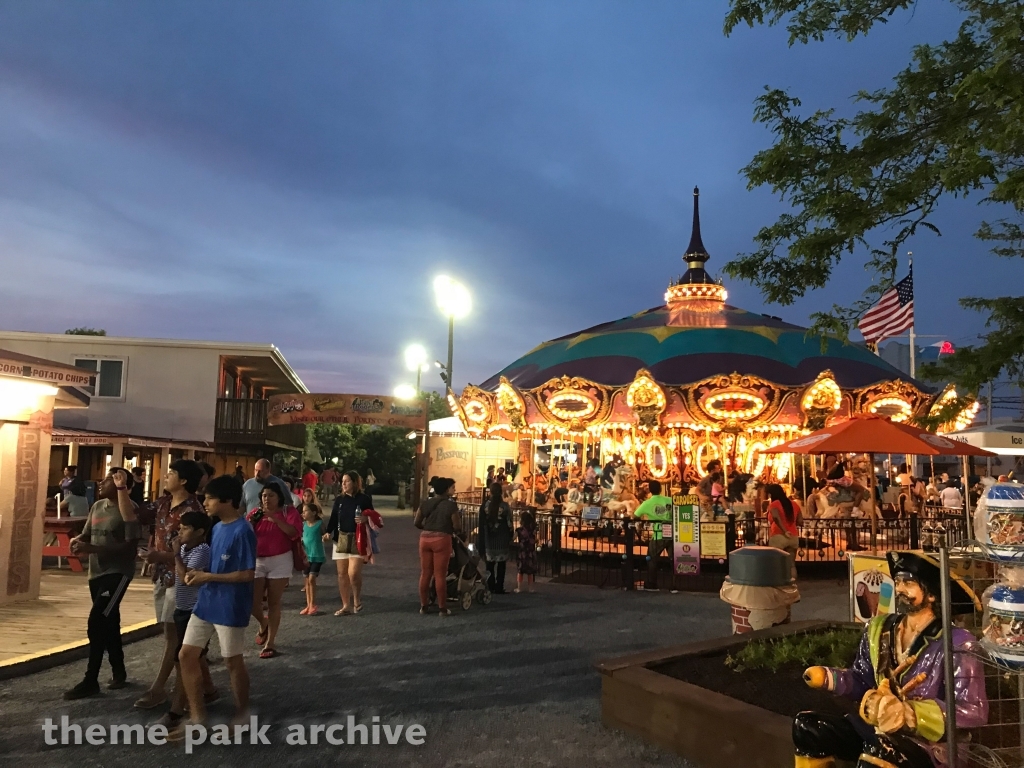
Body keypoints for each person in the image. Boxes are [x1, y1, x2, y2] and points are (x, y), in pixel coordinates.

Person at [795, 551, 987, 767]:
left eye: (909, 583)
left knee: (880, 750)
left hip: (930, 745)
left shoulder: (958, 643)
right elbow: (862, 679)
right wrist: (830, 678)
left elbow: (973, 710)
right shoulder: (879, 628)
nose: (899, 589)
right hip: (878, 729)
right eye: (898, 582)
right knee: (808, 727)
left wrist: (909, 714)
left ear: (932, 594)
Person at [173, 475, 256, 740]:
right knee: (186, 655)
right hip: (207, 600)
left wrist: (208, 577)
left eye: (209, 498)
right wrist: (201, 573)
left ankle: (242, 713)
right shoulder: (217, 527)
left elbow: (247, 574)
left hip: (230, 604)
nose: (204, 503)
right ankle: (197, 718)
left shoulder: (242, 531)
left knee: (232, 661)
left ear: (227, 500)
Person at [132, 459, 207, 711]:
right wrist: (122, 489)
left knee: (173, 636)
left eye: (172, 473)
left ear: (184, 481)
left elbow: (193, 550)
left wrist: (160, 556)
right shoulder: (163, 503)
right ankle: (201, 688)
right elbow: (134, 515)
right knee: (175, 635)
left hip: (182, 578)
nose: (166, 476)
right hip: (162, 575)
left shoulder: (193, 511)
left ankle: (161, 688)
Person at [64, 468, 141, 699]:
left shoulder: (129, 509)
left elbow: (130, 545)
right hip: (96, 572)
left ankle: (91, 679)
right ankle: (119, 671)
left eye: (108, 479)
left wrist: (93, 549)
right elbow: (88, 534)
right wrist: (79, 541)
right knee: (109, 621)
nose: (100, 482)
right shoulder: (97, 507)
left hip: (117, 572)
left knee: (97, 620)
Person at [158, 510, 212, 730]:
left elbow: (187, 577)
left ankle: (178, 708)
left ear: (200, 532)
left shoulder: (201, 550)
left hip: (194, 609)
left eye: (185, 528)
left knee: (184, 658)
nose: (180, 531)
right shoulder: (184, 548)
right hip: (183, 607)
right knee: (194, 657)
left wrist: (176, 556)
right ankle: (206, 693)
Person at [247, 483, 301, 658]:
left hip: (280, 559)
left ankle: (270, 642)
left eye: (271, 495)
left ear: (279, 497)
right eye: (264, 495)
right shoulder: (255, 514)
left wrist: (275, 519)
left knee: (273, 602)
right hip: (257, 560)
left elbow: (294, 532)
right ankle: (264, 623)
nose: (266, 499)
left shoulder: (288, 513)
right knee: (253, 602)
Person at [325, 470, 373, 616]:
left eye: (347, 481)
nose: (343, 484)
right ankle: (345, 605)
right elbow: (334, 517)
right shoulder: (339, 500)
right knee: (341, 574)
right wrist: (328, 531)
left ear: (355, 483)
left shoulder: (364, 499)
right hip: (340, 538)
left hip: (358, 539)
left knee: (353, 573)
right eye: (342, 482)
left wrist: (366, 519)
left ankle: (357, 600)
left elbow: (373, 516)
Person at [414, 476, 462, 615]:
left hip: (425, 538)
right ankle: (442, 608)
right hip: (442, 539)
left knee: (425, 573)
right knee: (440, 575)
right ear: (447, 489)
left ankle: (424, 606)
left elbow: (417, 522)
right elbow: (457, 526)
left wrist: (428, 527)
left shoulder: (425, 504)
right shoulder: (451, 505)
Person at [633, 480, 673, 591]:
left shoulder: (647, 503)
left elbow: (635, 515)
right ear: (660, 489)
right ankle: (674, 585)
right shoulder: (669, 500)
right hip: (671, 532)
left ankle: (652, 583)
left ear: (649, 490)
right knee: (673, 560)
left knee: (651, 558)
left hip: (658, 534)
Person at [479, 482, 512, 594]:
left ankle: (490, 585)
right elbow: (509, 523)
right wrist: (510, 535)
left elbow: (482, 523)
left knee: (490, 564)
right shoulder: (505, 506)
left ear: (490, 492)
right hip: (502, 538)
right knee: (501, 565)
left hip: (489, 538)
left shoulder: (485, 506)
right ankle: (499, 586)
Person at [765, 483, 801, 577]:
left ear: (771, 494)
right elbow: (800, 521)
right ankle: (792, 585)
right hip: (793, 536)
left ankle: (778, 583)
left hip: (778, 535)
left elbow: (776, 518)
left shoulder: (774, 504)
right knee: (791, 565)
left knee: (776, 562)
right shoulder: (794, 504)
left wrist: (785, 530)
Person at [300, 502, 326, 616]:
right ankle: (308, 605)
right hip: (306, 556)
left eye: (305, 511)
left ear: (314, 513)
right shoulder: (303, 524)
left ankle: (313, 604)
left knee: (311, 579)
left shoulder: (320, 524)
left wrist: (326, 537)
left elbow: (326, 535)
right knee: (306, 581)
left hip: (317, 555)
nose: (303, 513)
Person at [515, 510, 538, 593]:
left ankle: (519, 588)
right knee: (530, 571)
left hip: (522, 552)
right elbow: (535, 540)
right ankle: (530, 588)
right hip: (530, 551)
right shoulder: (532, 530)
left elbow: (513, 538)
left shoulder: (519, 530)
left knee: (520, 570)